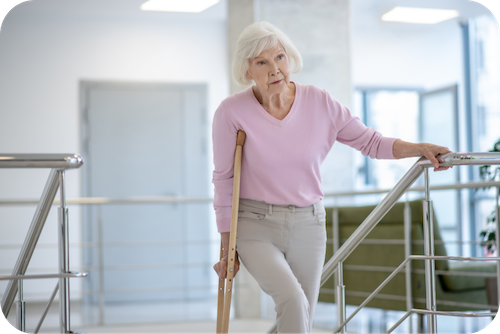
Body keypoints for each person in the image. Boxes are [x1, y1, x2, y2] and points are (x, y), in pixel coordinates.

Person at [212, 21, 450, 333]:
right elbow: (224, 178)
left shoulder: (319, 102)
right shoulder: (231, 112)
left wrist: (418, 148)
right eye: (262, 62)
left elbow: (371, 142)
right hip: (255, 224)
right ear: (247, 71)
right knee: (292, 299)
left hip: (308, 224)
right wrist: (227, 245)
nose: (275, 69)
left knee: (302, 315)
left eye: (280, 57)